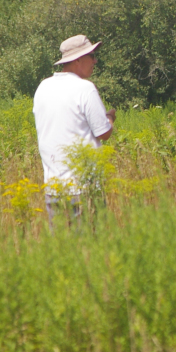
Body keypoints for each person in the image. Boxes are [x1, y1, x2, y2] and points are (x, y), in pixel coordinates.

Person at [33, 34, 116, 229]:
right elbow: (104, 133)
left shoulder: (43, 88)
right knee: (91, 249)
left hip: (54, 189)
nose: (95, 61)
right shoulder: (84, 89)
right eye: (92, 55)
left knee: (64, 252)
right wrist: (110, 118)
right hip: (83, 187)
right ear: (78, 60)